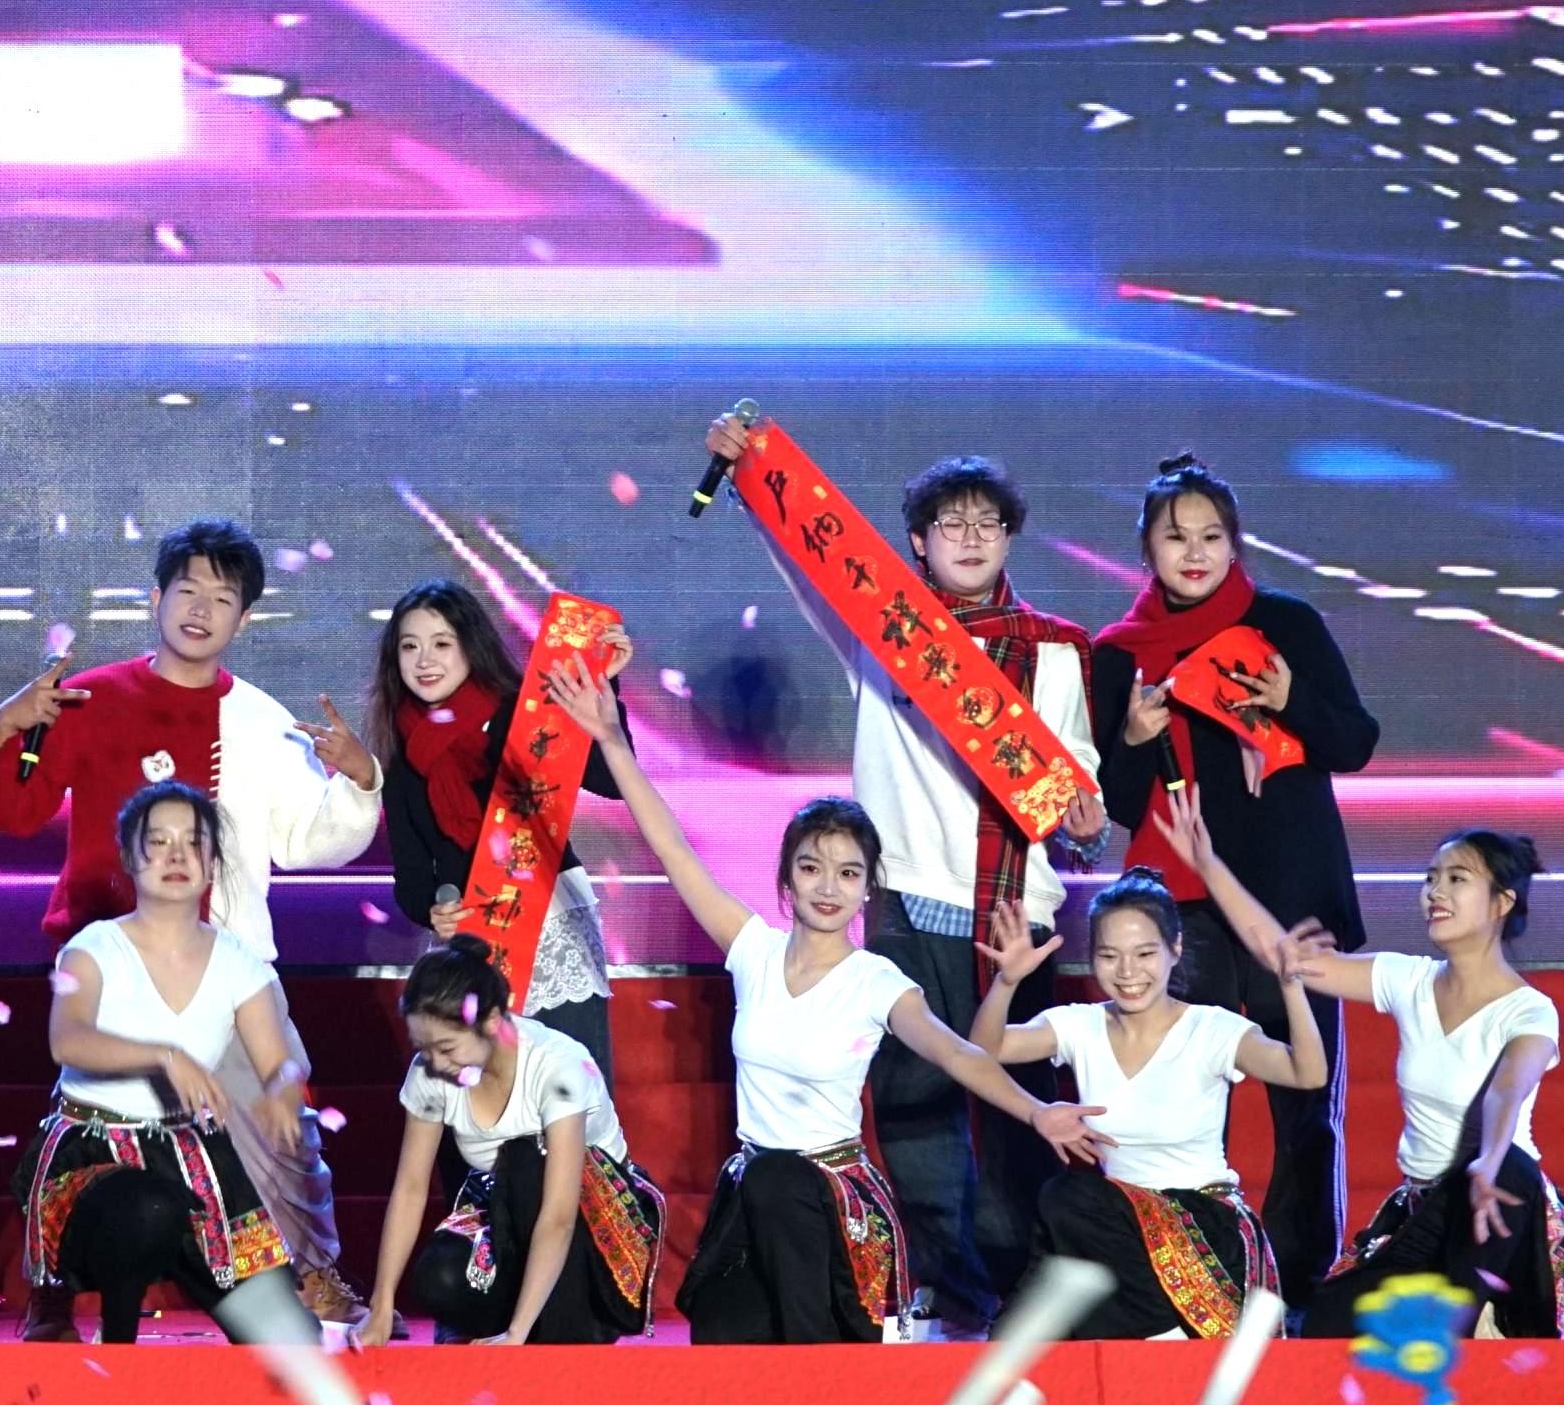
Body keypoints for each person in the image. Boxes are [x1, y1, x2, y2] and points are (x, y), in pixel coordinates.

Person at [547, 661, 1103, 1343]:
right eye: (812, 868)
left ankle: (832, 1349)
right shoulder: (752, 950)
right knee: (723, 1332)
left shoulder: (875, 981)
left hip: (831, 1202)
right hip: (756, 1191)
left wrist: (1037, 1110)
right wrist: (610, 740)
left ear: (868, 888)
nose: (828, 887)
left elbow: (957, 1054)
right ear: (787, 879)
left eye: (848, 872)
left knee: (783, 1197)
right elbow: (672, 848)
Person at [707, 414, 1108, 1337]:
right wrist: (752, 476)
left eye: (987, 523)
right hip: (904, 909)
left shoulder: (1056, 648)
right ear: (918, 542)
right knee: (915, 1113)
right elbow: (811, 568)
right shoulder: (885, 632)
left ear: (1009, 538)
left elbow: (1076, 783)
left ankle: (1024, 1299)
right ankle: (953, 1298)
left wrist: (1085, 818)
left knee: (1014, 1121)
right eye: (948, 523)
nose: (969, 537)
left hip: (1012, 915)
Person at [0, 518, 379, 1329]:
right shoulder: (91, 699)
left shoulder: (262, 720)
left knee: (281, 1122)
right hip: (112, 959)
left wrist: (360, 783)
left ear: (244, 619)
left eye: (222, 598)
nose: (200, 609)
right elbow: (8, 810)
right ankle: (52, 1289)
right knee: (83, 1133)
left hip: (226, 968)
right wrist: (10, 725)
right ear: (155, 598)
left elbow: (307, 840)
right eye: (187, 590)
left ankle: (309, 1270)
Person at [1089, 452, 1379, 1302]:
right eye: (1175, 537)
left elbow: (1354, 742)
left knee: (1306, 1098)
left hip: (1289, 899)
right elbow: (1114, 802)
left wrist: (1290, 699)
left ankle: (1300, 1281)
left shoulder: (1285, 624)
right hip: (1181, 907)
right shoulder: (1119, 654)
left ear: (1235, 544)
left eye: (1211, 536)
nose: (1195, 553)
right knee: (1184, 1097)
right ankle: (1196, 1276)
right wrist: (1134, 740)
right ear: (1146, 549)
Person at [1214, 825, 1564, 1339]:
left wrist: (1489, 1160)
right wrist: (1206, 861)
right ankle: (1455, 1318)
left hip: (1499, 1212)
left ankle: (1480, 1315)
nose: (1435, 892)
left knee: (1511, 1171)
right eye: (1431, 879)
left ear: (1502, 902)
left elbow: (1506, 1090)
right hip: (1427, 1213)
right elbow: (1288, 957)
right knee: (1325, 1326)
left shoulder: (1529, 1011)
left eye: (1457, 879)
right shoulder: (1410, 980)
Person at [974, 843, 1326, 1340]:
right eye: (1109, 956)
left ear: (1174, 949)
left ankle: (1162, 1329)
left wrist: (1291, 987)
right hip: (1116, 1228)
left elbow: (1307, 1074)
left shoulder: (1211, 1028)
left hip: (1203, 1224)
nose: (1127, 973)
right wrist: (1007, 982)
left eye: (1144, 954)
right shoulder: (1080, 1025)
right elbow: (985, 1050)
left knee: (1069, 1197)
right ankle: (1160, 1327)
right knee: (1013, 1335)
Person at [23, 780, 328, 1346]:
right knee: (146, 1209)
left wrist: (281, 1093)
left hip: (193, 1160)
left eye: (193, 843)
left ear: (212, 862)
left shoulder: (239, 963)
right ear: (129, 857)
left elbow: (279, 1063)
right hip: (93, 1150)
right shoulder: (92, 949)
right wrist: (163, 1057)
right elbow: (67, 1042)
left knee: (289, 1339)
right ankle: (102, 1333)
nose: (177, 856)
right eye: (159, 842)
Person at [369, 578, 635, 1092]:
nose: (424, 660)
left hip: (551, 926)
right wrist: (431, 910)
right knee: (479, 1106)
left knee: (571, 1096)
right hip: (470, 946)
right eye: (410, 646)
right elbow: (412, 877)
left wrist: (603, 691)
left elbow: (611, 781)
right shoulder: (403, 750)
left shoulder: (524, 714)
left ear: (471, 647)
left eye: (441, 643)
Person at [353, 936, 662, 1347]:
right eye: (424, 1050)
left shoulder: (558, 1066)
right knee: (439, 1278)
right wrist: (381, 1305)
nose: (436, 1064)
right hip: (505, 1212)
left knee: (526, 1159)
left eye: (446, 1047)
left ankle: (562, 1328)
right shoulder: (430, 1072)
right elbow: (411, 1188)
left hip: (593, 1225)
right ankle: (514, 1322)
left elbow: (559, 1215)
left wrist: (517, 1334)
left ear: (492, 1020)